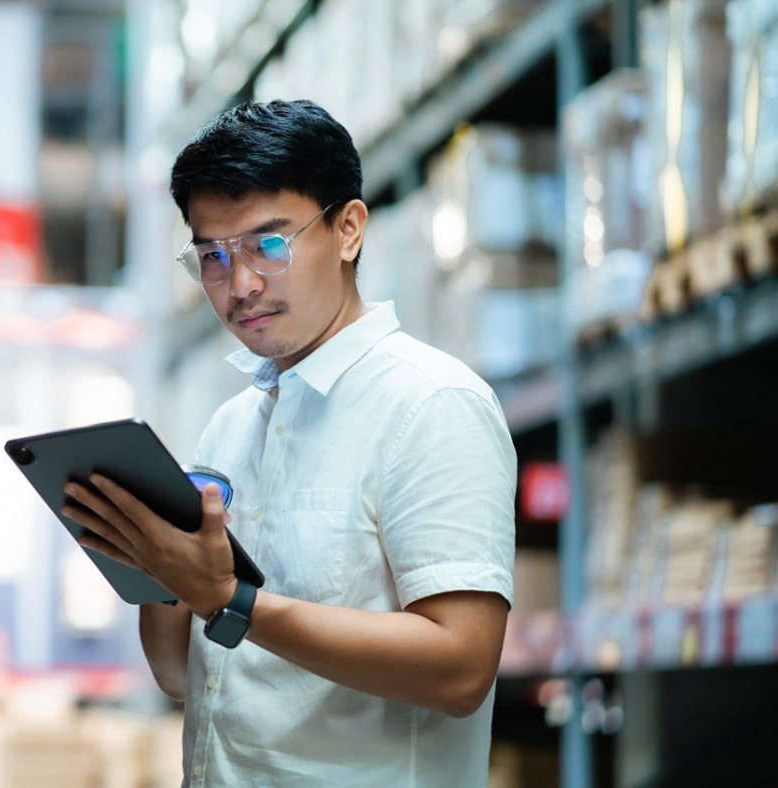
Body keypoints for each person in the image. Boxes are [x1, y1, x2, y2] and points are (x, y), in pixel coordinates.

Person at [59, 100, 516, 786]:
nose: (240, 285)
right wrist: (156, 568)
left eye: (269, 244)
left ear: (348, 229)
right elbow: (180, 675)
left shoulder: (430, 405)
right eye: (212, 257)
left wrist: (230, 599)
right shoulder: (232, 427)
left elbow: (461, 668)